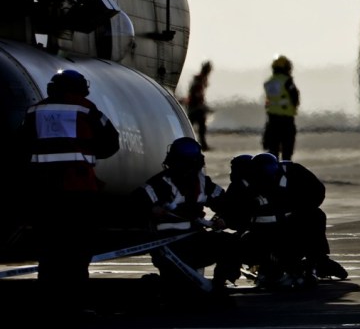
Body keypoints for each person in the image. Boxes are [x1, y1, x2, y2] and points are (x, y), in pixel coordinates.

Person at [16, 69, 120, 313]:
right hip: (79, 190)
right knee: (77, 250)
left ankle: (48, 302)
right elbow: (111, 142)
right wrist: (87, 155)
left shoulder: (35, 111)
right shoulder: (86, 109)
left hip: (44, 192)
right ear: (81, 88)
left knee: (49, 249)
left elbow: (20, 144)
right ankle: (75, 303)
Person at [223, 152, 348, 288]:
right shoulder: (240, 186)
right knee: (238, 246)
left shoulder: (293, 172)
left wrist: (295, 209)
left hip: (288, 230)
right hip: (261, 235)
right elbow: (230, 215)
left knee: (315, 216)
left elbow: (317, 192)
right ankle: (270, 265)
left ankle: (318, 260)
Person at [133, 137, 239, 297]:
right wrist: (152, 210)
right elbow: (133, 206)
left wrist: (224, 220)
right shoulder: (157, 185)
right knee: (179, 292)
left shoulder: (204, 184)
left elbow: (227, 205)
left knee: (231, 243)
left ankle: (219, 284)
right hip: (169, 247)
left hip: (196, 240)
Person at [263, 55, 300, 160]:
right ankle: (285, 166)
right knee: (287, 148)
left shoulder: (269, 82)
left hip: (272, 118)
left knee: (273, 148)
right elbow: (294, 96)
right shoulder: (286, 81)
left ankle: (273, 166)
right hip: (286, 118)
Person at [187, 61, 213, 151]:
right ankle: (200, 145)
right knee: (194, 126)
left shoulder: (201, 79)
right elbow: (196, 94)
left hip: (195, 106)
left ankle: (201, 144)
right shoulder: (199, 79)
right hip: (195, 107)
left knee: (196, 126)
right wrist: (201, 105)